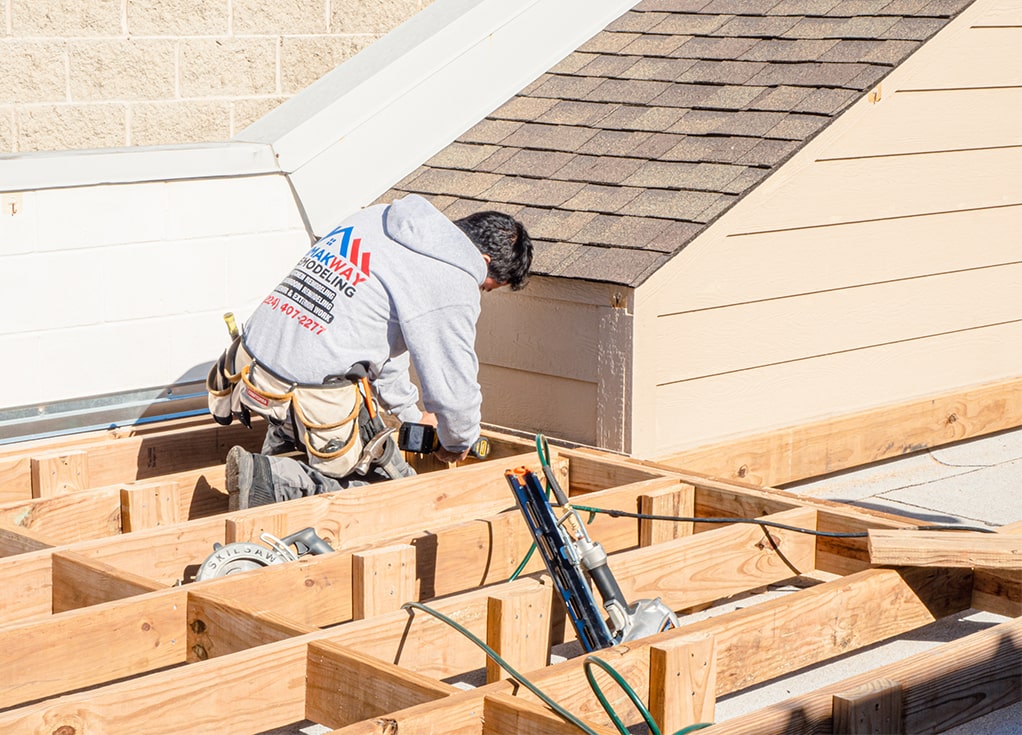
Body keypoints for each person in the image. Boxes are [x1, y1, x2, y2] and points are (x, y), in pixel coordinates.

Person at [206, 194, 532, 509]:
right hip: (309, 389)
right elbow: (451, 387)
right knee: (386, 491)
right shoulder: (453, 277)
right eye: (485, 287)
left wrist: (410, 416)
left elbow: (376, 340)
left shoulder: (378, 219)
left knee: (339, 435)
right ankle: (271, 479)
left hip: (250, 366)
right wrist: (458, 439)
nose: (479, 291)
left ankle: (280, 456)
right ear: (484, 262)